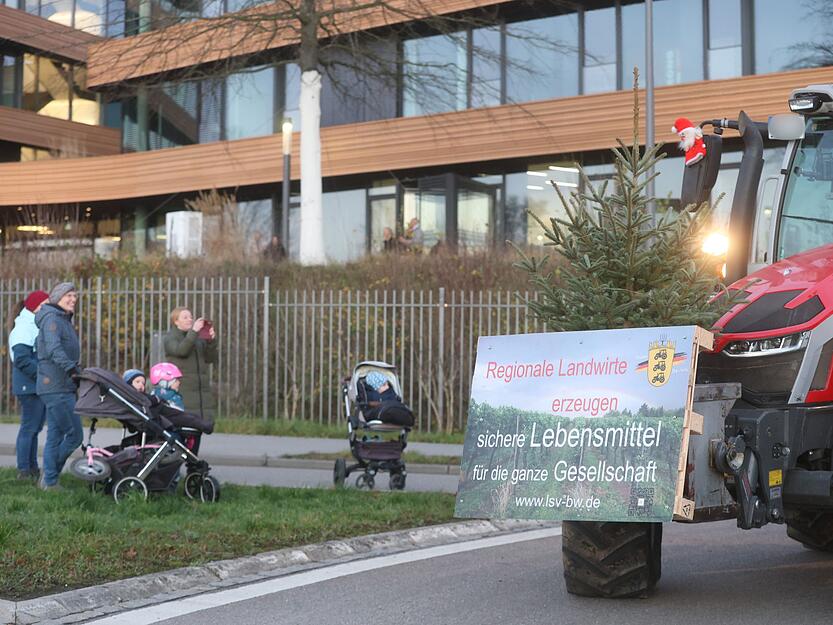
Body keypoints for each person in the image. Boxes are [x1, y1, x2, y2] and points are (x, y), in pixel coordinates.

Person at [36, 282, 82, 490]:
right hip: (56, 386)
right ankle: (50, 476)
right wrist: (72, 369)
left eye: (75, 295)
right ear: (57, 298)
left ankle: (49, 480)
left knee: (55, 435)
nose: (73, 299)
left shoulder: (63, 319)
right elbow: (54, 349)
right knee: (74, 435)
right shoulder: (53, 319)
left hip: (61, 385)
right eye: (68, 295)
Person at [9, 290, 49, 481]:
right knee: (29, 428)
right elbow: (22, 360)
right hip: (29, 385)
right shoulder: (24, 328)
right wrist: (43, 375)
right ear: (35, 307)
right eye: (45, 304)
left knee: (34, 428)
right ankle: (24, 470)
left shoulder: (33, 325)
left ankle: (32, 468)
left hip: (35, 385)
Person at [163, 307, 218, 419]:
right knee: (184, 427)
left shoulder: (197, 338)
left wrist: (211, 341)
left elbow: (210, 358)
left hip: (200, 394)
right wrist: (193, 332)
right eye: (185, 317)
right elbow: (182, 351)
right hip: (182, 390)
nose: (190, 320)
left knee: (198, 429)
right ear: (176, 321)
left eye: (191, 317)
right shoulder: (170, 338)